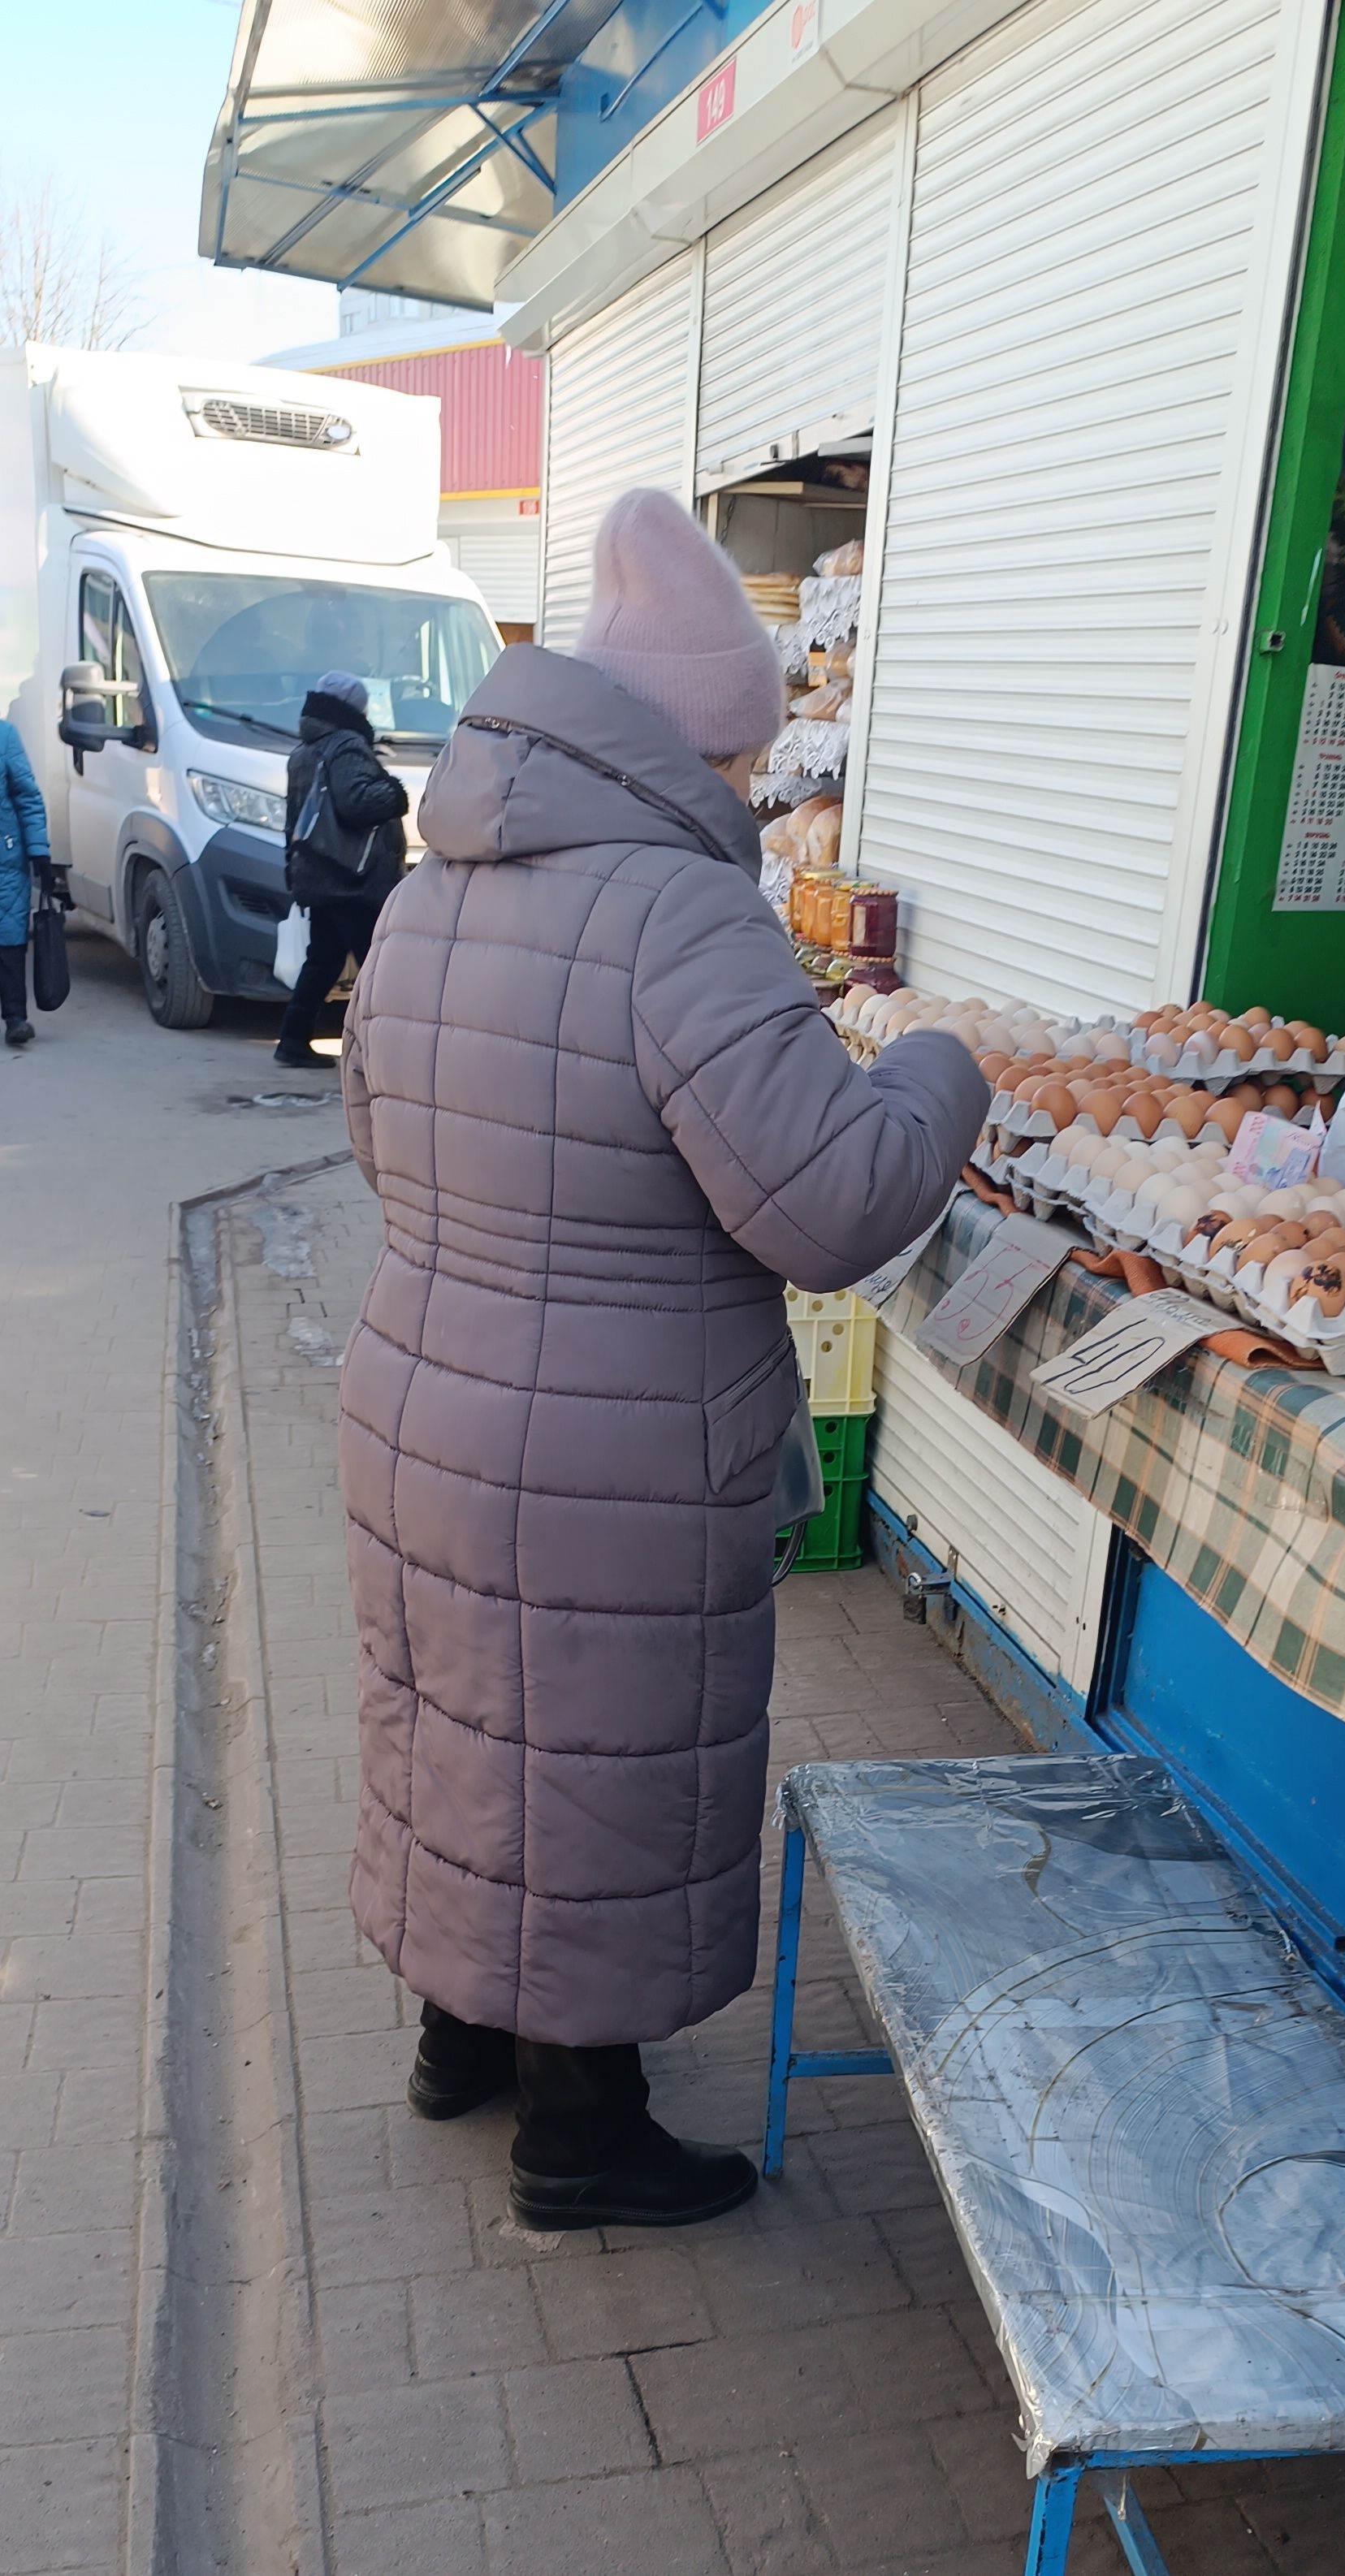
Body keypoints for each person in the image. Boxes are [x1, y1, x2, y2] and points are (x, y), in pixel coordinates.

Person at [338, 490, 988, 2230]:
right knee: (586, 1766)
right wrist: (937, 1068)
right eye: (751, 758)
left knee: (465, 1729)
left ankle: (460, 2038)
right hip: (605, 1450)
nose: (759, 792)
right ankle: (581, 2134)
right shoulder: (681, 917)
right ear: (699, 741)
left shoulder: (434, 891)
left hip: (419, 1405)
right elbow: (830, 1200)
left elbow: (374, 1133)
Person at [275, 671, 408, 1069]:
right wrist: (395, 793)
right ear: (355, 709)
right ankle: (387, 1054)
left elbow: (297, 820)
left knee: (323, 961)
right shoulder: (347, 745)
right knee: (378, 966)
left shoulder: (305, 750)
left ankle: (293, 1040)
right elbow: (357, 802)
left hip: (320, 874)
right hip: (353, 879)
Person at [0, 720, 55, 1048]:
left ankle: (15, 1018)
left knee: (9, 939)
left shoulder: (4, 735)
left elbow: (27, 796)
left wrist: (38, 849)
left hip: (5, 859)